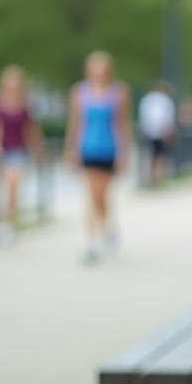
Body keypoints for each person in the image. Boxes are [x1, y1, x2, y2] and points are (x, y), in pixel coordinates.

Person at [64, 51, 132, 263]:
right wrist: (70, 149)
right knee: (90, 195)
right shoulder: (79, 92)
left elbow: (122, 124)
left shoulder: (119, 92)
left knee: (102, 195)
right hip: (87, 148)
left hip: (109, 148)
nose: (98, 74)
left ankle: (109, 229)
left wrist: (124, 151)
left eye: (102, 69)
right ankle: (91, 242)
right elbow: (75, 122)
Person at [0, 65, 45, 243]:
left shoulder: (26, 104)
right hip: (3, 150)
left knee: (13, 187)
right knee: (5, 190)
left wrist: (38, 149)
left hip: (20, 150)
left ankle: (6, 225)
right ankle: (6, 223)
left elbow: (32, 129)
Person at [138, 80, 177, 187]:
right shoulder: (166, 100)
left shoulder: (147, 99)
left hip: (149, 131)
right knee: (161, 156)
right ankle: (160, 178)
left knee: (152, 156)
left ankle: (152, 178)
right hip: (162, 132)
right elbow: (168, 119)